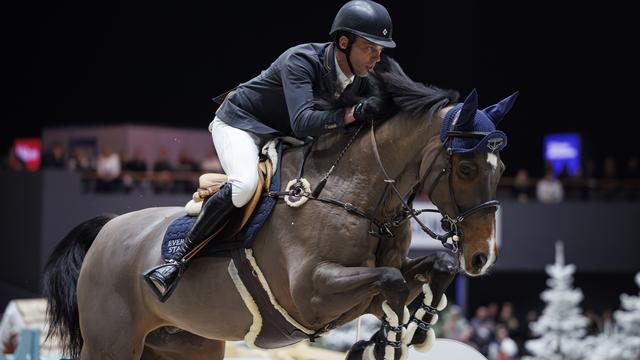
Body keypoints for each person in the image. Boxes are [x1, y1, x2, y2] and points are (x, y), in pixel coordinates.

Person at [144, 0, 396, 301]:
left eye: (381, 50)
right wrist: (353, 113)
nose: (377, 57)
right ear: (344, 42)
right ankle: (177, 261)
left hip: (280, 136)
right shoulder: (300, 60)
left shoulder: (361, 78)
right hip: (241, 125)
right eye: (370, 48)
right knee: (244, 185)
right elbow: (303, 122)